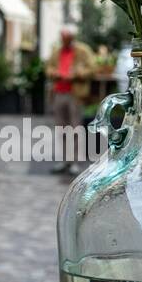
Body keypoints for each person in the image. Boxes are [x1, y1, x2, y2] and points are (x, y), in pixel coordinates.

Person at [45, 24, 94, 174]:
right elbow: (49, 68)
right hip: (59, 93)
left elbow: (91, 68)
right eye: (62, 37)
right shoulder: (57, 51)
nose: (63, 40)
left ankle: (75, 162)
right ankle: (65, 160)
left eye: (66, 37)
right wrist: (55, 73)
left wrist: (76, 74)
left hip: (75, 94)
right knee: (61, 128)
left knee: (75, 127)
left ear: (72, 37)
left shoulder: (83, 51)